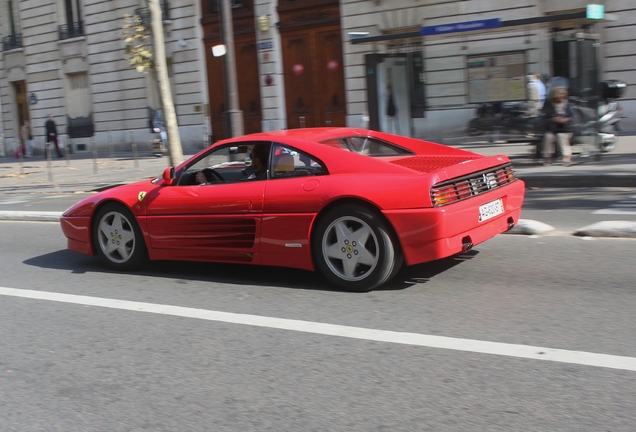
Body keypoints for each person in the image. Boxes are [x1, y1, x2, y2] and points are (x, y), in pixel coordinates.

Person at [541, 86, 574, 166]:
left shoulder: (567, 104)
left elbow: (572, 117)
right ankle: (547, 157)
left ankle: (566, 156)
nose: (563, 95)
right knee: (548, 137)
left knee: (561, 136)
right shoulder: (548, 104)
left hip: (565, 129)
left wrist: (565, 120)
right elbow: (544, 118)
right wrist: (553, 119)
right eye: (561, 94)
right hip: (552, 128)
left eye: (564, 94)